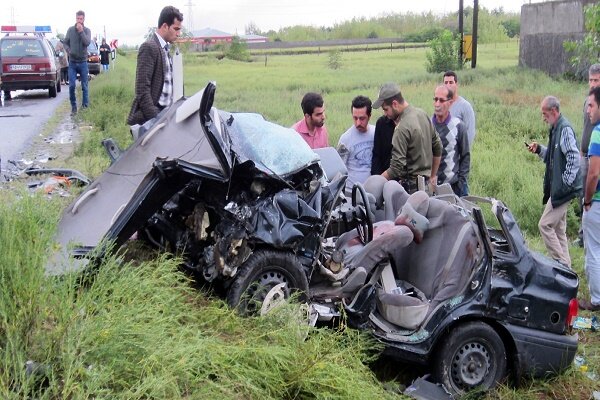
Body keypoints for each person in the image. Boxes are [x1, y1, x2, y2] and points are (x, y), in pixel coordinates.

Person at [526, 96, 582, 269]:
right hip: (559, 188)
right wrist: (539, 150)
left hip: (562, 190)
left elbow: (574, 157)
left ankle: (562, 265)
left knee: (544, 225)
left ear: (553, 111)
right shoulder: (555, 129)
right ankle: (569, 271)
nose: (543, 117)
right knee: (559, 231)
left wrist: (565, 184)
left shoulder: (564, 129)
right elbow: (553, 157)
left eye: (544, 113)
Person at [372, 82, 442, 194]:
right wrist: (433, 175)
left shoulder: (401, 128)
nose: (385, 114)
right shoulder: (422, 115)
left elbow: (396, 168)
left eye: (385, 109)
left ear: (395, 104)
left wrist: (375, 183)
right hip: (427, 188)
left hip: (411, 192)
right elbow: (438, 147)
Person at [127, 6, 183, 136]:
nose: (178, 33)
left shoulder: (165, 49)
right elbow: (142, 90)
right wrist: (156, 119)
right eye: (176, 29)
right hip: (152, 120)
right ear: (165, 26)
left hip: (165, 116)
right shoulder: (149, 47)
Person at [574, 63, 600, 248]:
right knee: (582, 194)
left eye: (596, 80)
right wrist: (582, 151)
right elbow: (585, 128)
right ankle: (583, 234)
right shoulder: (588, 100)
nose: (592, 83)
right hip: (585, 154)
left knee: (591, 195)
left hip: (596, 158)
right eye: (590, 79)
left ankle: (588, 236)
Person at [581, 85, 600, 311]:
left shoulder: (597, 132)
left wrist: (587, 200)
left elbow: (594, 173)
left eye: (592, 105)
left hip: (597, 202)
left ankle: (596, 299)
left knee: (594, 250)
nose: (588, 110)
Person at [431, 85, 470, 196]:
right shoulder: (427, 125)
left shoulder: (458, 126)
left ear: (450, 102)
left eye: (441, 100)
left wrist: (461, 182)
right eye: (435, 99)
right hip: (431, 188)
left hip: (452, 187)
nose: (437, 104)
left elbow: (465, 156)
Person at [337, 95, 375, 194]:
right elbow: (339, 170)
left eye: (362, 118)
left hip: (373, 193)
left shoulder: (376, 133)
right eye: (355, 118)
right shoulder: (345, 139)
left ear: (369, 116)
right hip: (352, 194)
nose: (358, 123)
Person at [63, 10, 91, 115]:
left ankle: (85, 107)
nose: (79, 20)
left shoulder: (87, 31)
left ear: (84, 19)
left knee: (84, 85)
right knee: (71, 86)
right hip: (73, 63)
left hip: (83, 62)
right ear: (76, 19)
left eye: (81, 19)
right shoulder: (70, 30)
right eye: (77, 18)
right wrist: (69, 51)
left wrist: (81, 31)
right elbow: (65, 43)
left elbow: (87, 42)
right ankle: (73, 107)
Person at [443, 71, 476, 147]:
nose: (448, 85)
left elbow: (470, 133)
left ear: (456, 84)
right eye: (446, 83)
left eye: (451, 82)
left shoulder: (465, 106)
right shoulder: (442, 105)